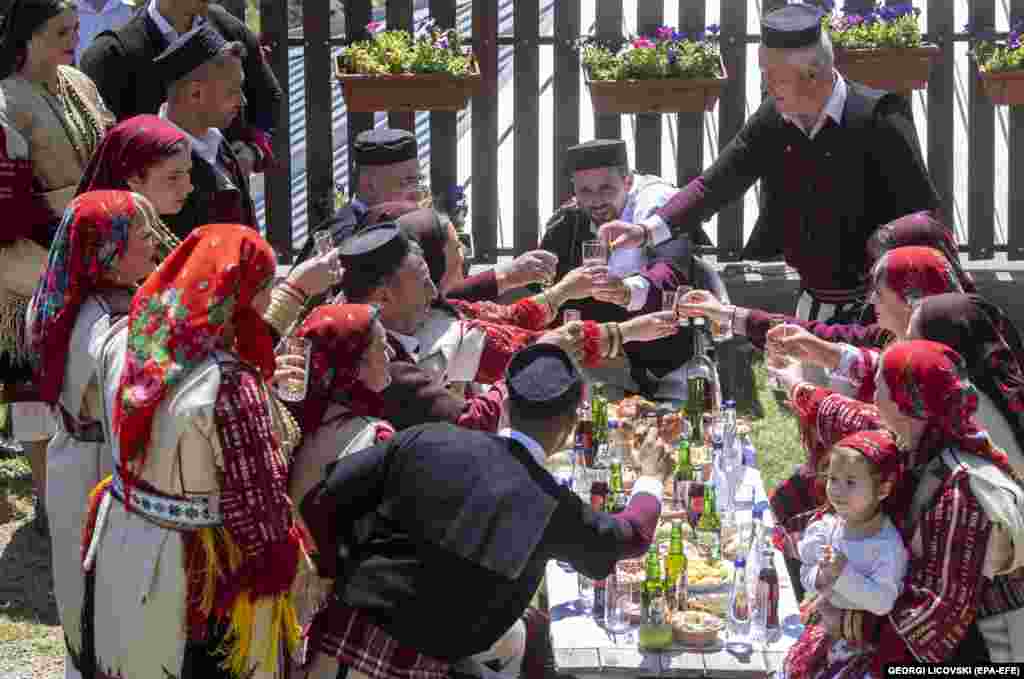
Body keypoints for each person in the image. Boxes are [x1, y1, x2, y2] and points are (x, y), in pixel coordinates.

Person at [295, 343, 672, 679]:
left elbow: (320, 502)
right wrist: (651, 477)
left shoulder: (424, 438)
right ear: (571, 425)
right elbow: (630, 535)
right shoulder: (551, 505)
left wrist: (345, 573)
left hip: (336, 640)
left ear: (505, 407)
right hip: (401, 664)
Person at [598, 3, 941, 327]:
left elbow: (922, 219)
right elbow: (716, 184)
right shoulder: (774, 118)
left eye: (774, 76)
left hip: (883, 310)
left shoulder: (880, 119)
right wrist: (646, 231)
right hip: (812, 302)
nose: (766, 86)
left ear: (813, 75)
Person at [81, 224, 305, 678]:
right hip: (197, 575)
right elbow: (259, 511)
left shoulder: (127, 338)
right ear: (236, 293)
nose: (267, 300)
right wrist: (290, 571)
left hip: (123, 538)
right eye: (264, 287)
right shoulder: (229, 384)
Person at [770, 340, 1024, 664]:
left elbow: (936, 615)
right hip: (891, 617)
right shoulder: (918, 435)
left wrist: (848, 621)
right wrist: (793, 381)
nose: (872, 397)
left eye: (879, 387)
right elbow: (843, 413)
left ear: (905, 404)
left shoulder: (960, 493)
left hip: (968, 649)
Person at [337, 223, 679, 432]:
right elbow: (470, 417)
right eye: (456, 248)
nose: (433, 291)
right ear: (383, 296)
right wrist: (551, 350)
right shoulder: (381, 362)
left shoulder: (424, 315)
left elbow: (506, 321)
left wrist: (562, 295)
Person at [27, 190, 159, 679]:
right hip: (102, 468)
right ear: (109, 251)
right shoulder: (110, 325)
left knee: (77, 591)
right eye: (142, 235)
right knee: (107, 598)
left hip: (68, 457)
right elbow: (131, 404)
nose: (153, 244)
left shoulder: (58, 298)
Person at [0, 0, 115, 534]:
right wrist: (65, 216)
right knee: (30, 383)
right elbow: (9, 203)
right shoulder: (7, 99)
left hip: (86, 243)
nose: (73, 38)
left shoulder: (79, 83)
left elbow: (108, 145)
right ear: (28, 36)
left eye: (74, 28)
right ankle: (49, 503)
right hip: (25, 255)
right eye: (60, 30)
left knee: (83, 375)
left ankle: (89, 493)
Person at [541, 138, 725, 398]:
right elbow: (545, 296)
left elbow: (671, 272)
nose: (596, 201)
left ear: (627, 182)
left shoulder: (658, 212)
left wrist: (628, 291)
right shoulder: (565, 226)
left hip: (672, 356)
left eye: (606, 188)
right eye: (585, 191)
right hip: (604, 363)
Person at [304, 127, 557, 304]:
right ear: (369, 185)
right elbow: (422, 305)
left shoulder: (392, 222)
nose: (418, 191)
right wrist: (505, 276)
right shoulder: (347, 236)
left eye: (419, 179)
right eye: (407, 181)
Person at [80, 0, 282, 175]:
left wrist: (253, 151)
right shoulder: (112, 55)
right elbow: (106, 150)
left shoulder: (227, 29)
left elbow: (269, 98)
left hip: (227, 203)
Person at [782, 429, 908, 679]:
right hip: (822, 631)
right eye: (833, 479)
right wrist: (819, 576)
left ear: (883, 490)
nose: (837, 490)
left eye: (850, 482)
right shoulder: (835, 522)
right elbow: (807, 570)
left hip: (856, 650)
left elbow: (882, 601)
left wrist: (841, 573)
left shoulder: (886, 546)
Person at [153, 24, 257, 239]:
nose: (242, 100)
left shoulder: (218, 144)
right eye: (232, 91)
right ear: (195, 93)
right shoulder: (156, 162)